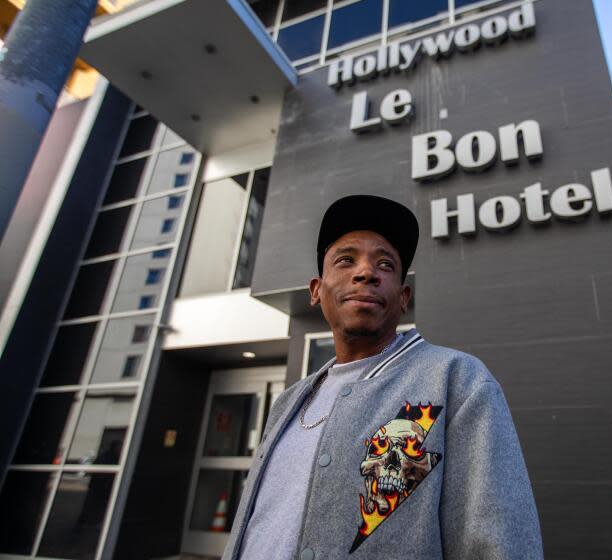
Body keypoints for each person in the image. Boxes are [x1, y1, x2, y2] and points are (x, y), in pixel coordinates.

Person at [224, 195, 543, 560]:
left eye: (386, 265)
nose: (366, 272)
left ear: (403, 297)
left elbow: (499, 542)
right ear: (316, 290)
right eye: (346, 260)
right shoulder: (289, 402)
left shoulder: (456, 381)